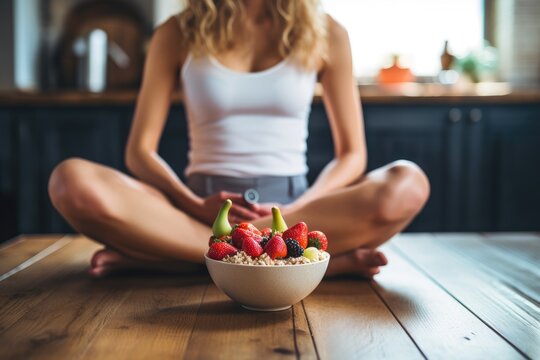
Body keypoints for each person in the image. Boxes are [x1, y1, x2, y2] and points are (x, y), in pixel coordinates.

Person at [48, 0, 430, 278]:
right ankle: (304, 265)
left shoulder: (328, 32)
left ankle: (167, 259)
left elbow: (352, 155)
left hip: (296, 213)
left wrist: (304, 206)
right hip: (196, 215)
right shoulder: (177, 31)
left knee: (408, 184)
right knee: (71, 181)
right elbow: (139, 151)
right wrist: (194, 204)